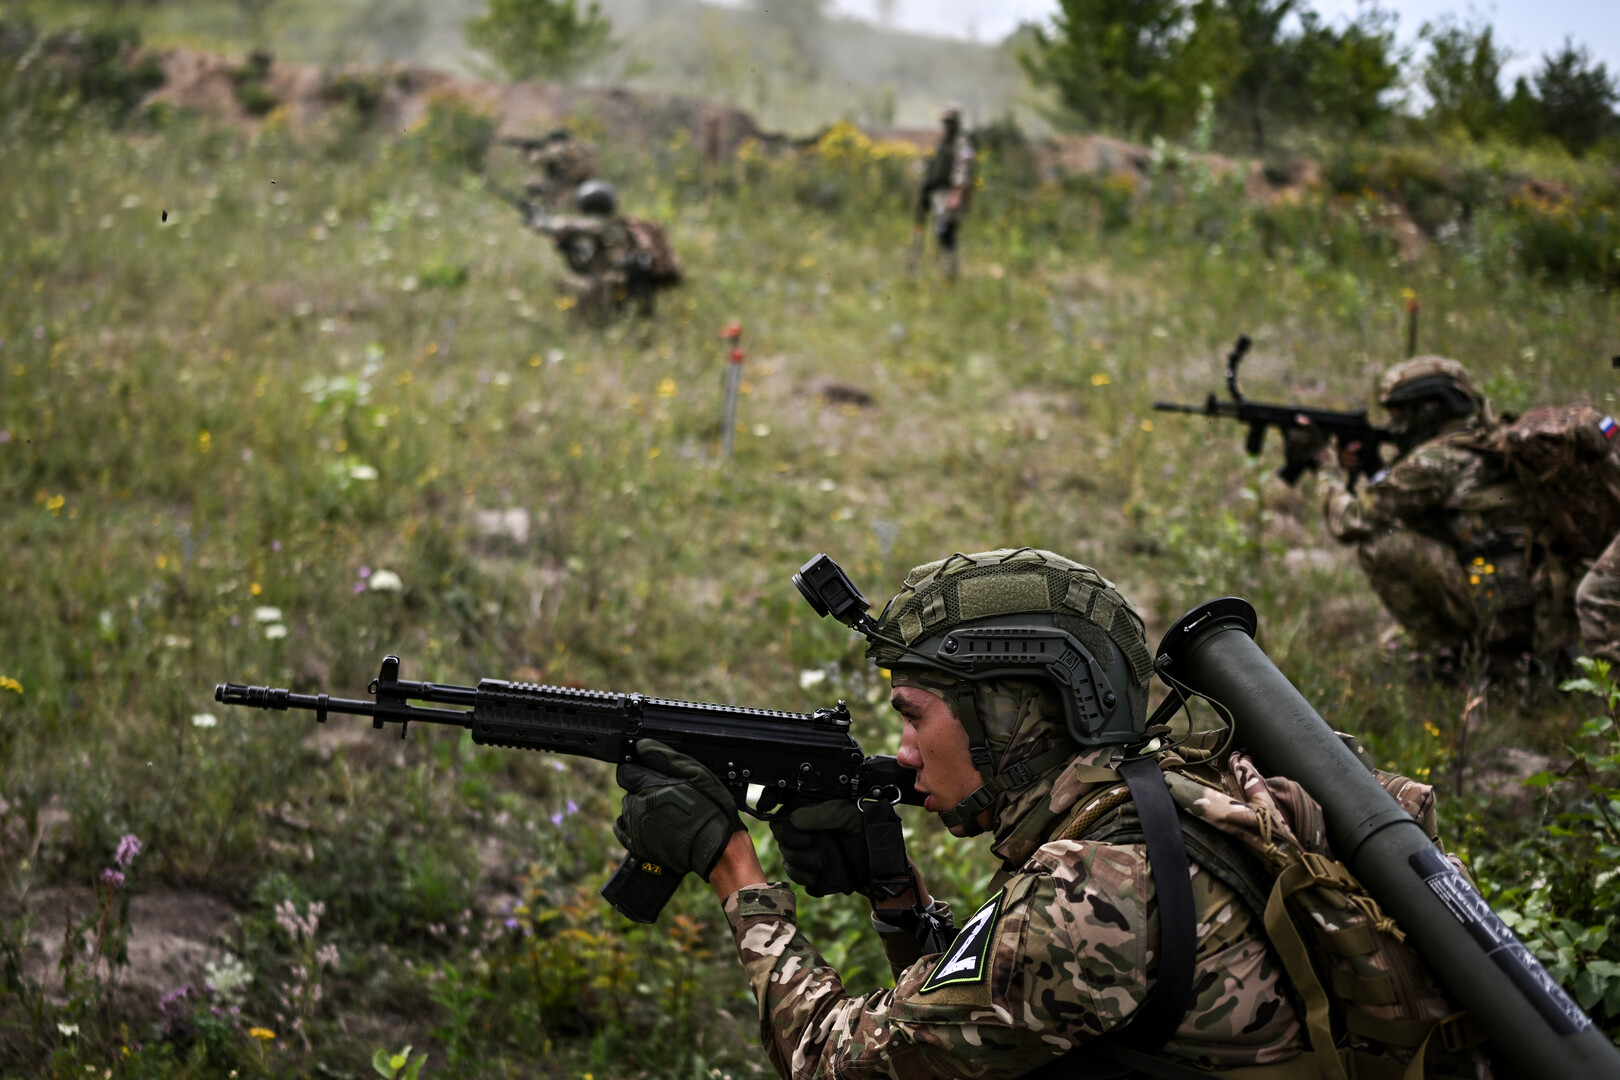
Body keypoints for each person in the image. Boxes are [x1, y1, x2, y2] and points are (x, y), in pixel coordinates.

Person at [614, 549, 1314, 1078]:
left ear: (1008, 718)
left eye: (915, 717)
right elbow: (1005, 1011)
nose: (904, 752)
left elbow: (840, 1063)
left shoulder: (1087, 896)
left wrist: (733, 868)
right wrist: (897, 895)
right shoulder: (1160, 791)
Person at [1315, 357, 1546, 663]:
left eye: (1399, 414)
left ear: (1428, 409)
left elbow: (1352, 520)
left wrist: (1325, 470)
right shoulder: (1488, 437)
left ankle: (1447, 654)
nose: (1393, 426)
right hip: (1537, 601)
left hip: (1502, 610)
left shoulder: (1433, 461)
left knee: (1379, 544)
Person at [525, 180, 679, 320]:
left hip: (613, 285)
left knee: (565, 284)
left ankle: (588, 323)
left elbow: (564, 225)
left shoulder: (602, 226)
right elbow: (584, 260)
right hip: (621, 284)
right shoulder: (619, 227)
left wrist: (541, 222)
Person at [912, 103, 977, 280]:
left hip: (951, 193)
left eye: (950, 120)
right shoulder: (946, 140)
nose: (946, 124)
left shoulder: (961, 140)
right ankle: (943, 269)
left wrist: (957, 192)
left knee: (946, 232)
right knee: (940, 231)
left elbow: (962, 167)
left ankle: (949, 271)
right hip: (940, 193)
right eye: (945, 120)